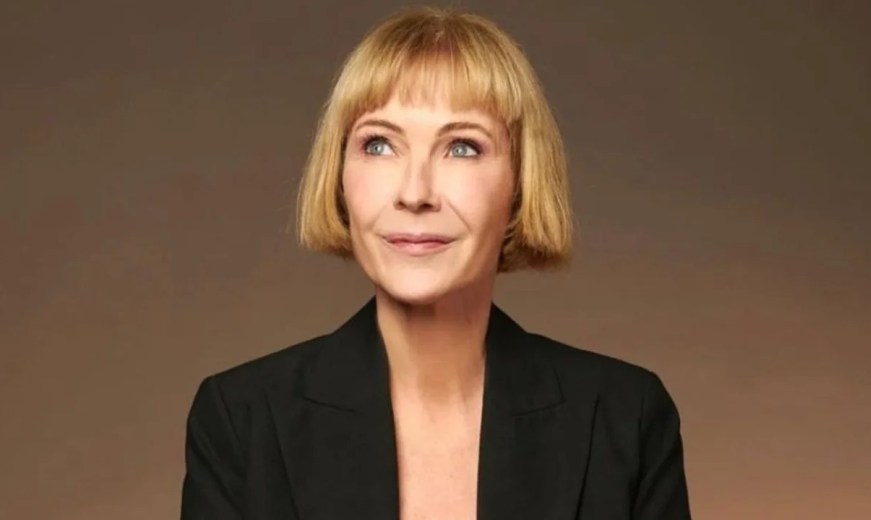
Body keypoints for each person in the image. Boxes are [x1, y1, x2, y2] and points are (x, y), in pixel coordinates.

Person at [180, 6, 691, 520]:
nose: (415, 192)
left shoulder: (625, 419)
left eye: (462, 148)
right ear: (339, 177)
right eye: (379, 145)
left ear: (520, 183)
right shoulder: (242, 420)